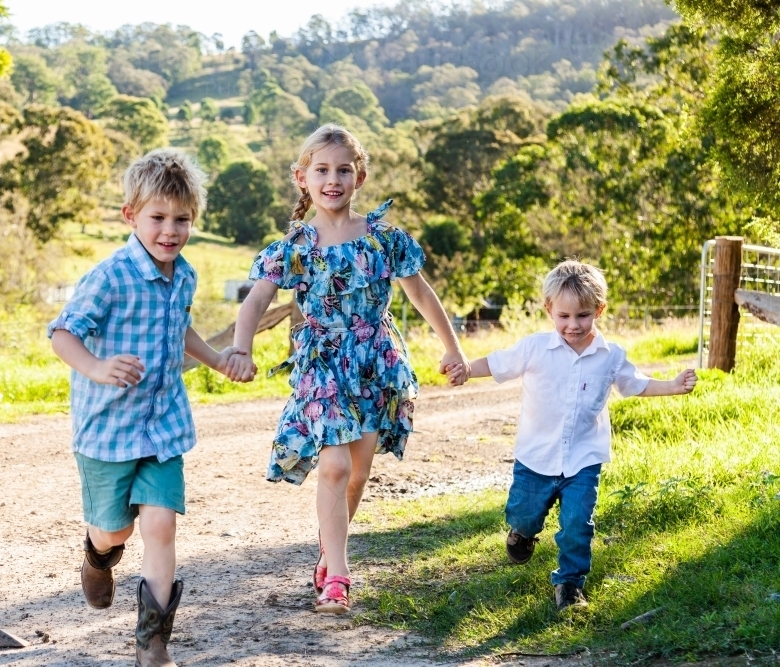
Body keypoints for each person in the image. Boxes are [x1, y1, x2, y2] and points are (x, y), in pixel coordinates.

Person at [225, 124, 470, 614]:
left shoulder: (383, 240)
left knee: (357, 475)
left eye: (342, 170)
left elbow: (419, 293)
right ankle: (337, 576)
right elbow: (255, 301)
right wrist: (240, 349)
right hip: (322, 362)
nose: (332, 179)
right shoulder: (295, 246)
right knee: (333, 467)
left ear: (359, 176)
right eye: (321, 170)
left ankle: (328, 550)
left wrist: (452, 347)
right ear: (302, 178)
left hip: (376, 361)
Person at [48, 149, 247, 666]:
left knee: (161, 525)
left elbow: (179, 328)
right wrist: (96, 366)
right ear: (130, 216)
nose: (170, 230)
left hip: (163, 426)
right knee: (116, 530)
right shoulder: (110, 277)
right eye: (158, 217)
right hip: (107, 432)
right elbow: (63, 333)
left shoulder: (185, 276)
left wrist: (216, 359)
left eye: (182, 220)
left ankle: (152, 644)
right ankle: (97, 554)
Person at [466, 260, 698, 613]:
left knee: (577, 525)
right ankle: (523, 533)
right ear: (549, 310)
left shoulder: (610, 356)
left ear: (599, 310)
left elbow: (635, 384)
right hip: (535, 458)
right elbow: (496, 363)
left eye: (583, 316)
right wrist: (465, 369)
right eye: (564, 317)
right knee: (524, 513)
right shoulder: (534, 348)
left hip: (583, 460)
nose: (573, 325)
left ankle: (570, 585)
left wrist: (673, 386)